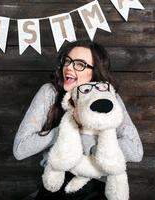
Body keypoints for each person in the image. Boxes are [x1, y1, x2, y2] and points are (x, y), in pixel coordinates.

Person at [13, 40, 143, 200]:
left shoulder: (109, 97)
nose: (69, 67)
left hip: (97, 186)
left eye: (80, 64)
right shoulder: (50, 93)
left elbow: (136, 150)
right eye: (67, 61)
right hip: (56, 187)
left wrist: (89, 142)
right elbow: (20, 149)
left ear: (95, 72)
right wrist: (66, 129)